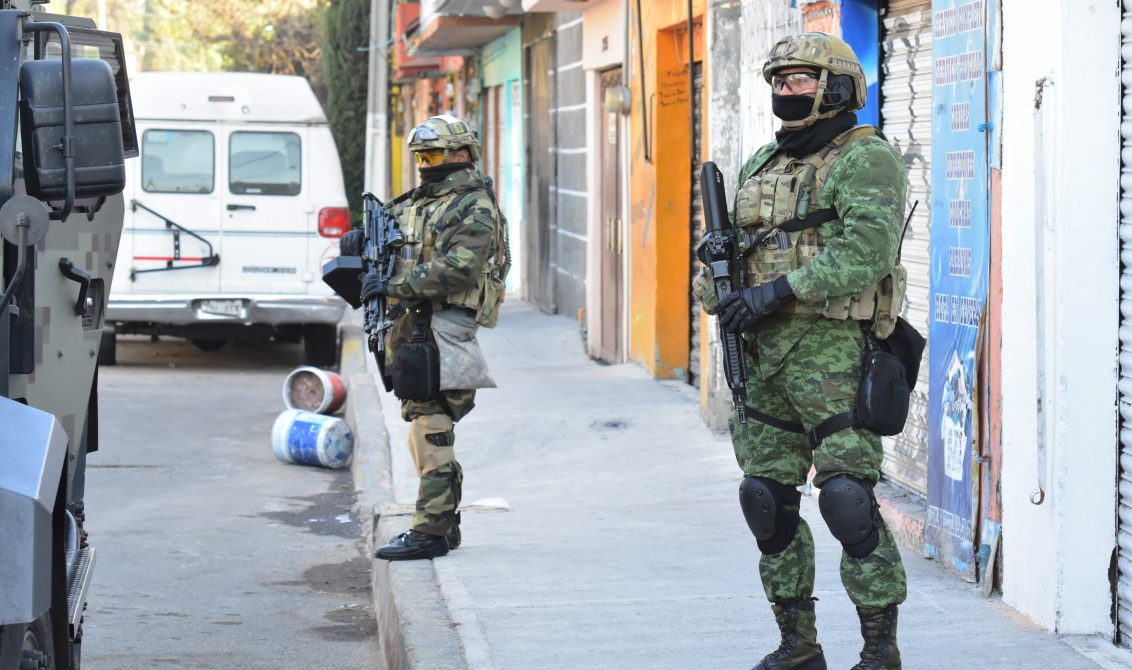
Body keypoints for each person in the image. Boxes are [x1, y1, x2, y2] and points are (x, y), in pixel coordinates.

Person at [693, 33, 910, 670]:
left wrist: (780, 292)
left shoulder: (865, 159)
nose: (786, 93)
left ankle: (879, 650)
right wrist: (718, 284)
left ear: (837, 89)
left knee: (846, 500)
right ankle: (798, 645)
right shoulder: (766, 160)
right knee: (765, 499)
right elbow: (733, 248)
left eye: (801, 82)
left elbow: (868, 251)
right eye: (780, 83)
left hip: (834, 353)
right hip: (761, 357)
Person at [342, 114, 509, 561]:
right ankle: (445, 525)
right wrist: (361, 245)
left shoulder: (473, 206)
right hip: (413, 325)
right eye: (420, 156)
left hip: (443, 326)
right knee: (423, 424)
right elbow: (393, 240)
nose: (425, 164)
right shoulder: (423, 200)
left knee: (432, 427)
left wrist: (395, 285)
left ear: (460, 154)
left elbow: (459, 269)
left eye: (433, 155)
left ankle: (430, 532)